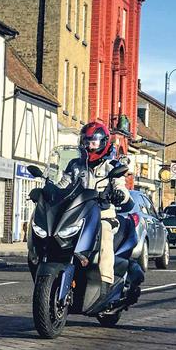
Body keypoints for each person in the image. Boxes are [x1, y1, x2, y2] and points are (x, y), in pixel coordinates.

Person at [57, 121, 130, 287]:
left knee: (104, 233)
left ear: (103, 143)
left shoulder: (112, 166)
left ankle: (106, 282)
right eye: (86, 142)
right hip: (78, 214)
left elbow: (121, 187)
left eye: (93, 142)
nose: (89, 146)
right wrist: (49, 192)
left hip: (103, 215)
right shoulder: (75, 165)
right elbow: (64, 184)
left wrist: (119, 195)